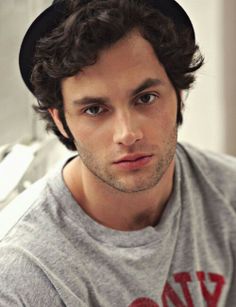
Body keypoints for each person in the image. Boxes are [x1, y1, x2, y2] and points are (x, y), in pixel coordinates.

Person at [0, 0, 235, 306]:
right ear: (60, 119)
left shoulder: (227, 194)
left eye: (146, 98)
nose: (127, 134)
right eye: (95, 109)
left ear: (178, 94)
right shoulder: (22, 269)